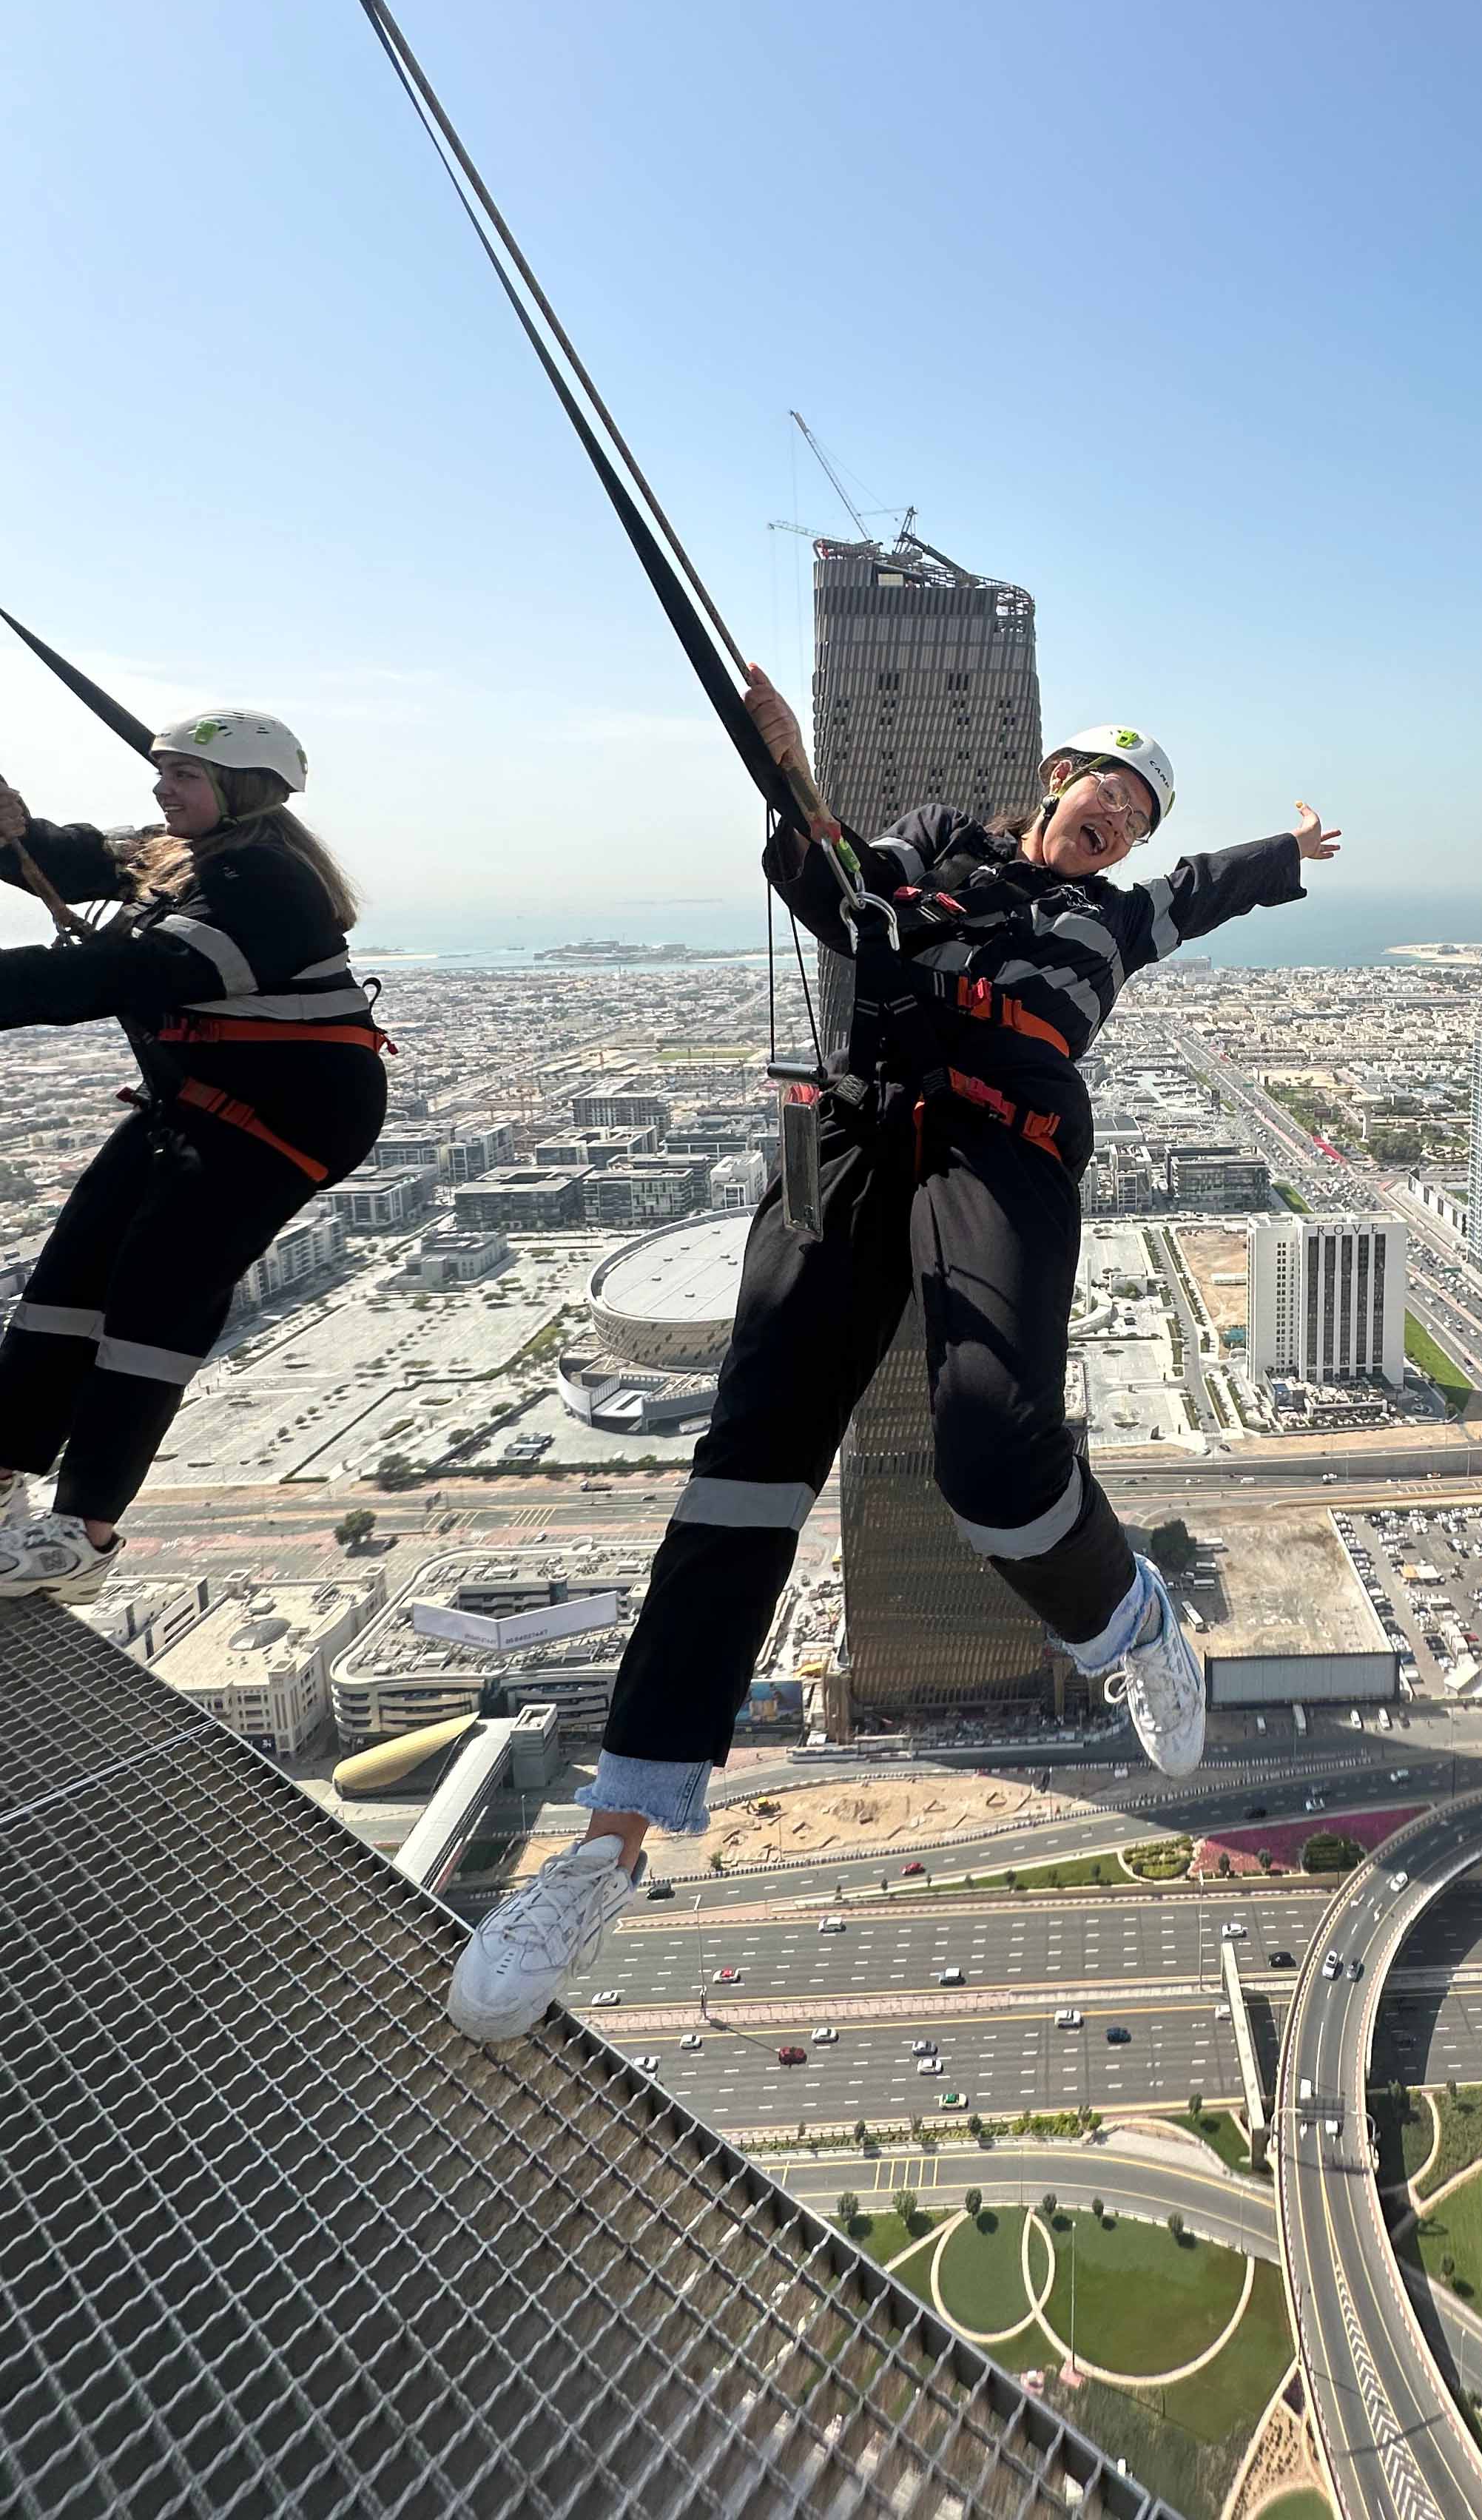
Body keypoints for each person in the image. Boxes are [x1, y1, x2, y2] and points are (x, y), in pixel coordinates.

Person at [450, 675, 1338, 2040]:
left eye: (1140, 811)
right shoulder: (933, 842)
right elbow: (842, 886)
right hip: (863, 1122)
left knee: (989, 1448)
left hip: (1012, 1133)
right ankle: (608, 1842)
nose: (1118, 814)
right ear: (1054, 780)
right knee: (746, 1462)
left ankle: (1125, 1619)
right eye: (1106, 786)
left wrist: (1285, 856)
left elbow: (1206, 886)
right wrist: (790, 775)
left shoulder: (1119, 916)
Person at [0, 712, 386, 1597]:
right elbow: (72, 856)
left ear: (240, 789)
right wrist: (16, 836)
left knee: (153, 1301)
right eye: (162, 771)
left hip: (278, 1121)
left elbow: (116, 976)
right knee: (67, 1280)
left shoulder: (265, 880)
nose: (161, 788)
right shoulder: (181, 855)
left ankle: (81, 1537)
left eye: (184, 775)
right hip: (197, 1105)